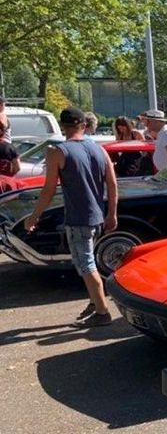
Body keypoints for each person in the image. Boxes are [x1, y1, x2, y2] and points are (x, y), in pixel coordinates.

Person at [24, 107, 118, 327]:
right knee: (88, 261)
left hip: (78, 217)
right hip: (97, 216)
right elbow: (112, 184)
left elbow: (48, 190)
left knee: (86, 264)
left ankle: (102, 312)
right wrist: (112, 213)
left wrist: (34, 216)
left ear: (63, 126)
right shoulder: (99, 150)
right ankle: (96, 303)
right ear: (83, 125)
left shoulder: (57, 152)